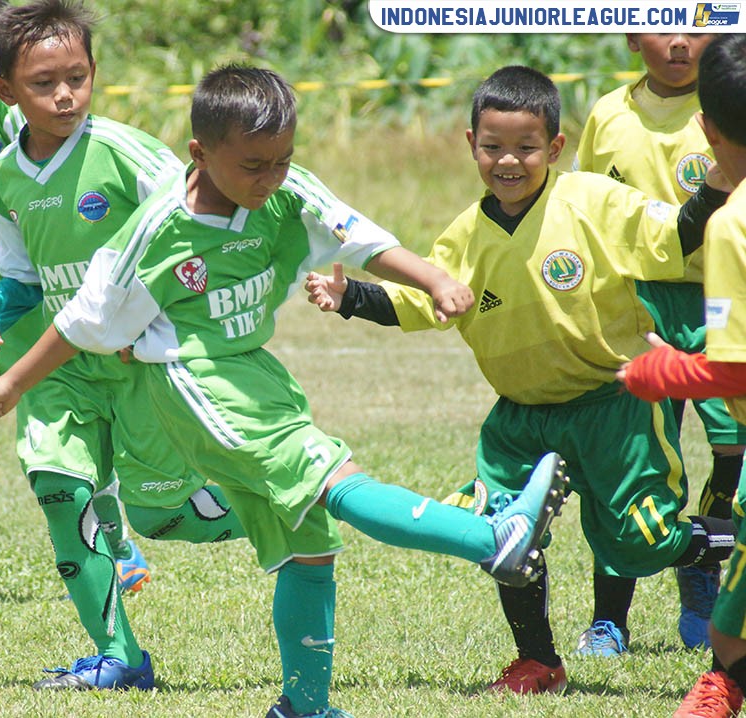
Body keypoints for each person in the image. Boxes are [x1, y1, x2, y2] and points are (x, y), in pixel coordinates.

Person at [0, 63, 569, 717]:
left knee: (308, 546)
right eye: (254, 164)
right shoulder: (158, 232)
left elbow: (359, 238)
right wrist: (12, 382)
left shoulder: (288, 191)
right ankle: (493, 541)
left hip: (254, 373)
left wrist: (431, 280)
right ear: (200, 154)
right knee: (333, 477)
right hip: (195, 382)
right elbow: (81, 322)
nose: (271, 177)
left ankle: (304, 706)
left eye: (283, 159)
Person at [304, 65, 737, 695]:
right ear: (471, 144)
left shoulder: (592, 201)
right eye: (492, 147)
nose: (509, 161)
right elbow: (427, 303)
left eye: (526, 147)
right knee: (502, 534)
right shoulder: (465, 235)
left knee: (643, 544)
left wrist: (717, 188)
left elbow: (671, 237)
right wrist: (353, 296)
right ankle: (537, 659)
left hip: (612, 405)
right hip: (521, 417)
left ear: (555, 148)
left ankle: (725, 544)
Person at [0, 0, 246, 690]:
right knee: (61, 491)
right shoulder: (5, 178)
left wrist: (172, 322)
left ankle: (299, 502)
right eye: (44, 83)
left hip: (142, 367)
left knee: (160, 514)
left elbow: (202, 229)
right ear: (5, 90)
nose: (65, 95)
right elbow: (20, 281)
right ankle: (120, 658)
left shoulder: (125, 154)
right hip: (58, 371)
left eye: (78, 77)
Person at [0, 0, 152, 592]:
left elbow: (39, 180)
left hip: (26, 286)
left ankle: (117, 541)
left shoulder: (17, 97)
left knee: (70, 428)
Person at [575, 31, 741, 655]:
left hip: (724, 299)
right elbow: (583, 213)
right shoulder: (608, 115)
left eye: (695, 20)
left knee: (733, 450)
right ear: (628, 31)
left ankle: (703, 579)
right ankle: (608, 618)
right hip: (641, 302)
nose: (678, 39)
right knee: (633, 460)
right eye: (660, 19)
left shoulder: (734, 106)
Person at [618, 33, 746, 718]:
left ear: (707, 128)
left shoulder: (732, 224)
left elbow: (734, 368)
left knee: (729, 632)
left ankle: (722, 681)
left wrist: (656, 371)